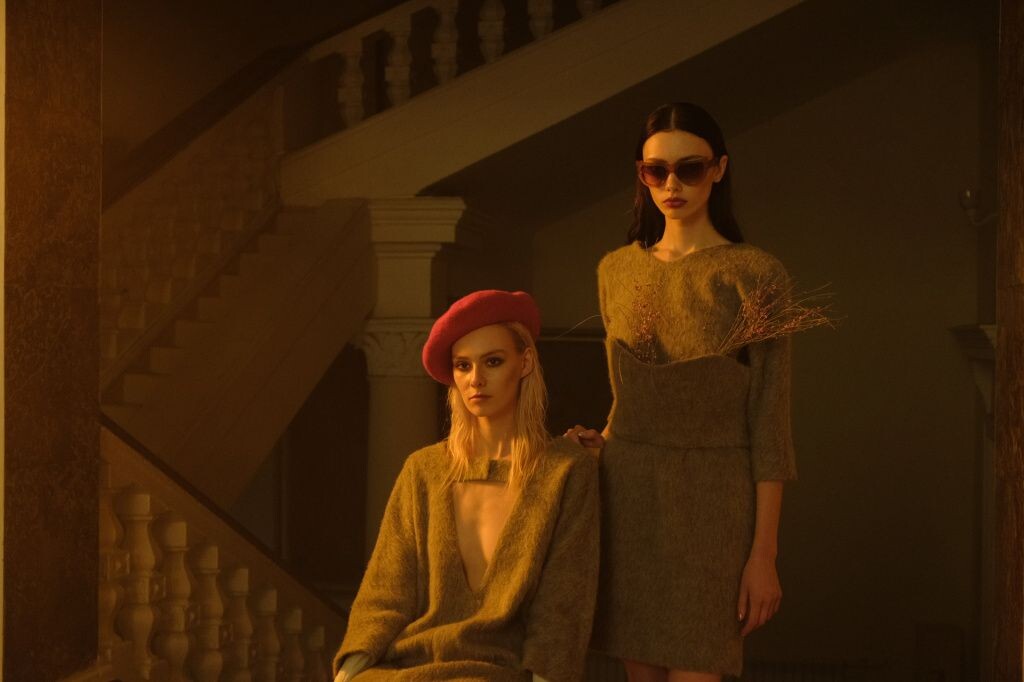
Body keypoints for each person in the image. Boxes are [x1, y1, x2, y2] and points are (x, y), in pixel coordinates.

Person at [566, 102, 801, 682]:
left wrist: (764, 555)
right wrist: (601, 442)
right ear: (641, 176)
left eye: (689, 169)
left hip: (714, 500)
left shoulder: (755, 274)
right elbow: (626, 395)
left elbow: (770, 424)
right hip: (629, 494)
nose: (671, 185)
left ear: (719, 169)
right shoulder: (616, 270)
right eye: (656, 171)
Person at [334, 289, 600, 682]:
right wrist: (346, 674)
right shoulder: (423, 470)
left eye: (493, 361)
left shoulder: (565, 471)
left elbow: (563, 607)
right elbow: (386, 592)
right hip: (405, 668)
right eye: (462, 366)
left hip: (496, 673)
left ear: (525, 362)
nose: (476, 380)